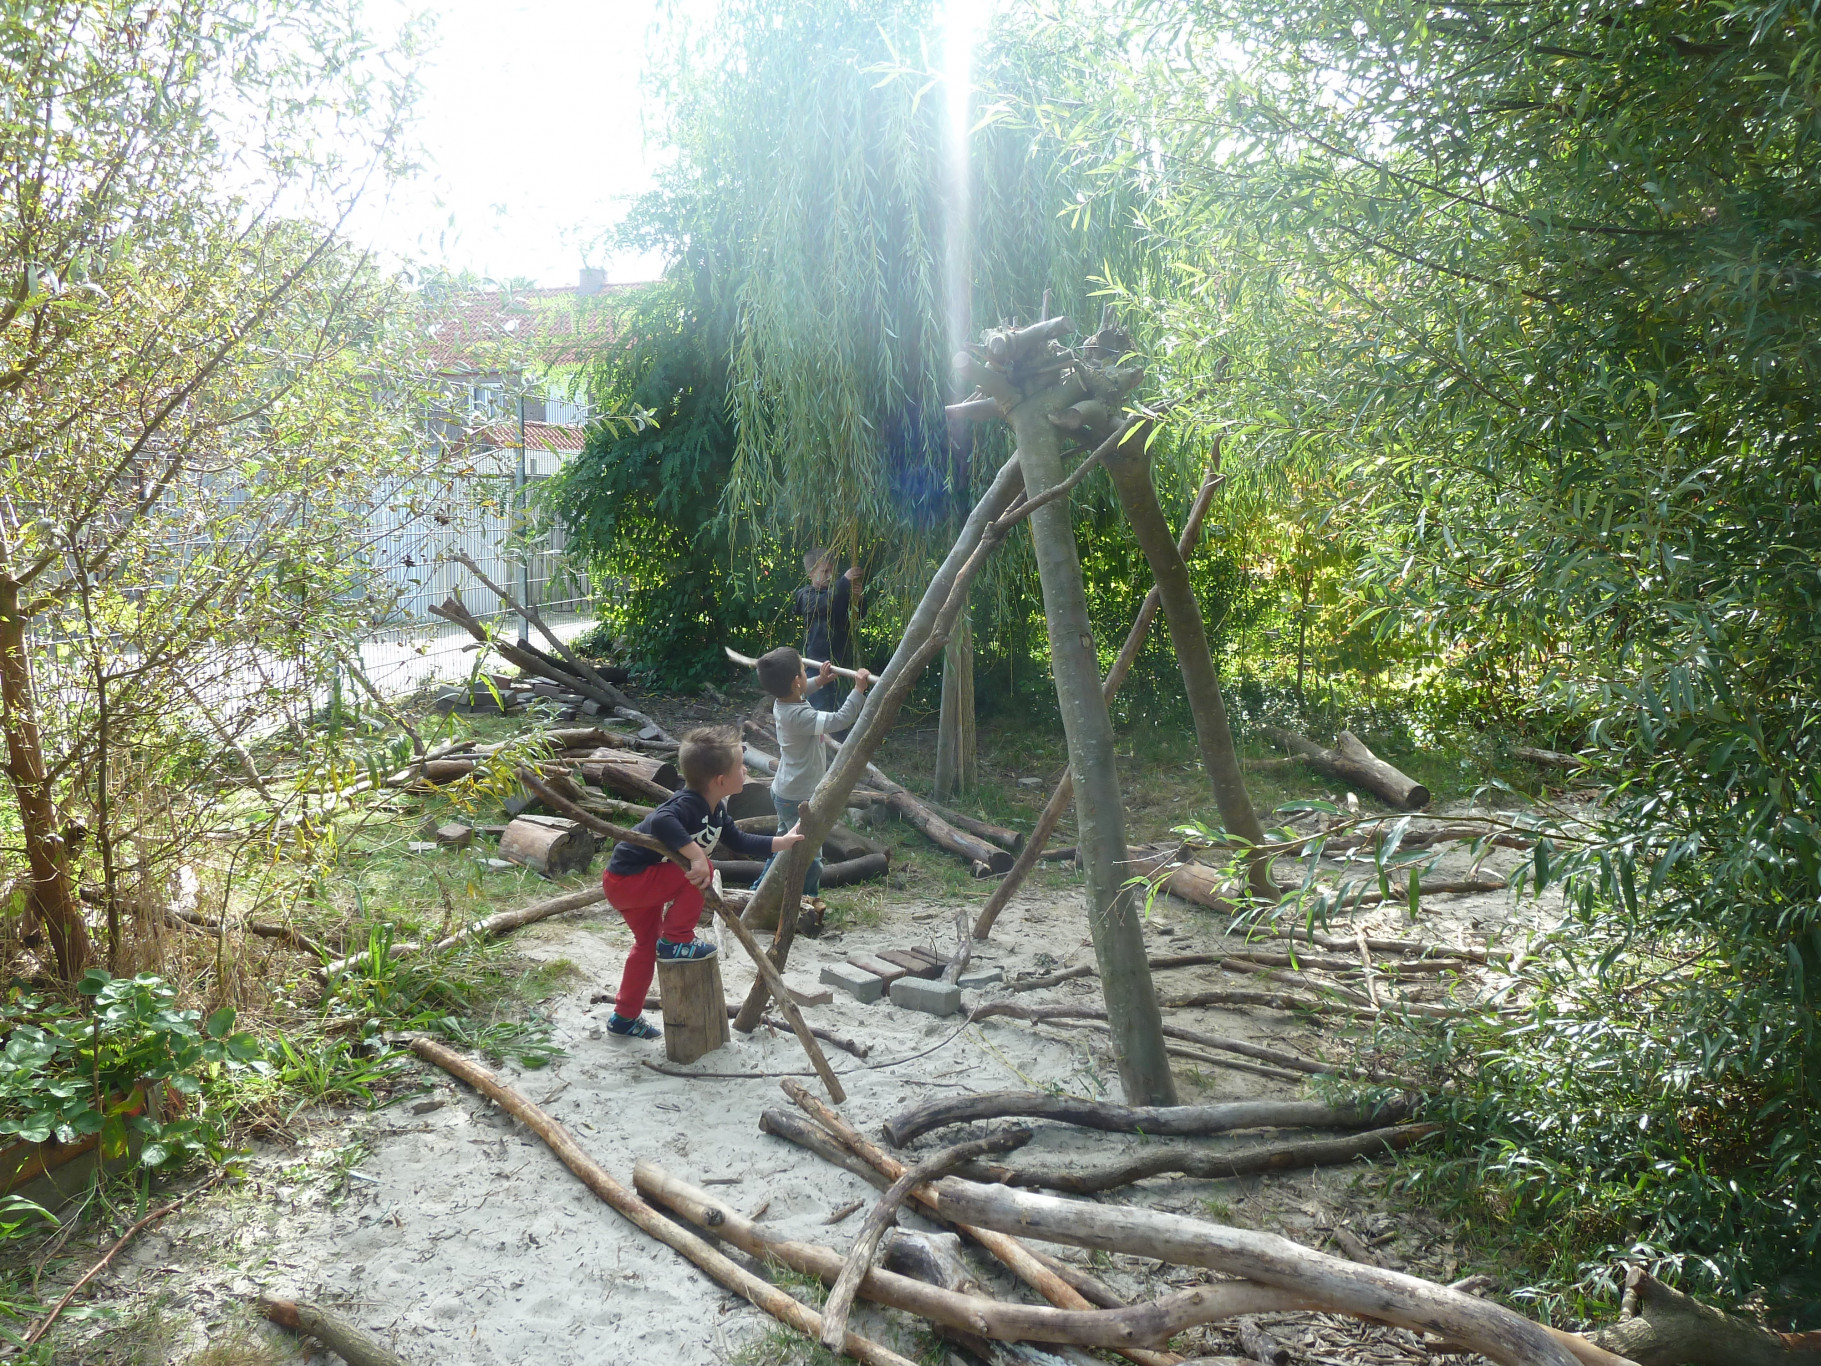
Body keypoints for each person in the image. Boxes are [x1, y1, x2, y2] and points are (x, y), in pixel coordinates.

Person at [599, 726, 804, 1040]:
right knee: (703, 868)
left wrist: (784, 842)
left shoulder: (716, 811)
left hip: (635, 884)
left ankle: (624, 1018)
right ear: (720, 780)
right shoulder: (687, 805)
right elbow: (660, 820)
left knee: (645, 947)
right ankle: (678, 939)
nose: (746, 770)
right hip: (629, 879)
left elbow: (740, 840)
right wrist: (695, 856)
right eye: (740, 767)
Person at [754, 646, 870, 898]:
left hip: (786, 791)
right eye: (804, 672)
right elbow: (839, 720)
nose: (807, 674)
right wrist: (858, 690)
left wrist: (819, 680)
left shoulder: (782, 702)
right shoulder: (799, 715)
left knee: (783, 848)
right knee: (810, 857)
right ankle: (805, 902)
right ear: (796, 681)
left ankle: (758, 892)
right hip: (798, 798)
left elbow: (800, 691)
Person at [794, 550, 863, 711]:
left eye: (832, 571)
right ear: (811, 573)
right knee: (820, 708)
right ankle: (820, 737)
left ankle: (842, 736)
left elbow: (858, 616)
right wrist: (844, 582)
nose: (830, 575)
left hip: (842, 662)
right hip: (817, 663)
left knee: (844, 709)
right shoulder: (806, 595)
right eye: (824, 571)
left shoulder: (837, 593)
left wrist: (858, 600)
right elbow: (823, 604)